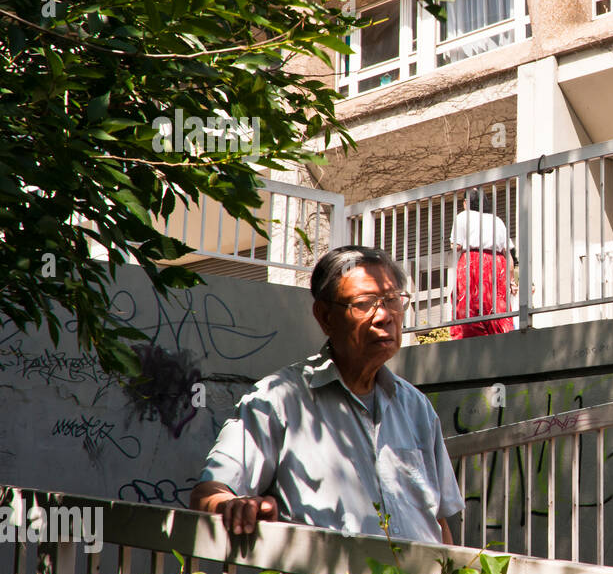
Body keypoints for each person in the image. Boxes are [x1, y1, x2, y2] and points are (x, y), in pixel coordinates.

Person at [191, 245, 463, 545]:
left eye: (392, 300)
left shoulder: (415, 407)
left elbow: (437, 520)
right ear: (325, 316)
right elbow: (208, 492)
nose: (384, 316)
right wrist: (233, 507)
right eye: (365, 303)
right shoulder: (279, 399)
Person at [448, 190, 515, 339]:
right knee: (496, 303)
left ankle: (469, 338)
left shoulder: (463, 217)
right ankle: (502, 335)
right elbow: (508, 254)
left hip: (472, 262)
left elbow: (457, 246)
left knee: (469, 303)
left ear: (466, 202)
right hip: (496, 264)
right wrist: (511, 281)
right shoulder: (496, 220)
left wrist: (453, 243)